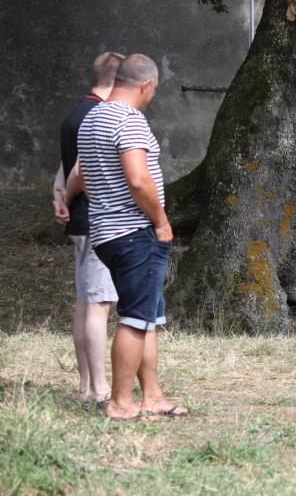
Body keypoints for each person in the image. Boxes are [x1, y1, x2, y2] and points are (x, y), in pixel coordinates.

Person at [78, 53, 187, 420]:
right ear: (144, 84)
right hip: (134, 232)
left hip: (107, 232)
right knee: (135, 317)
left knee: (148, 318)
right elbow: (139, 180)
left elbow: (87, 181)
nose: (152, 95)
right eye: (153, 89)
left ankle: (152, 395)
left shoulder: (92, 119)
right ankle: (121, 402)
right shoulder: (129, 120)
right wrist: (160, 220)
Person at [52, 52, 124, 406]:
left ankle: (84, 386)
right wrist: (69, 192)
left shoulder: (73, 113)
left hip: (81, 223)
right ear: (117, 81)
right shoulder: (100, 114)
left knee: (85, 303)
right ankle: (99, 390)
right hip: (98, 221)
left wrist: (59, 196)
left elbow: (63, 166)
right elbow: (80, 170)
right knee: (98, 305)